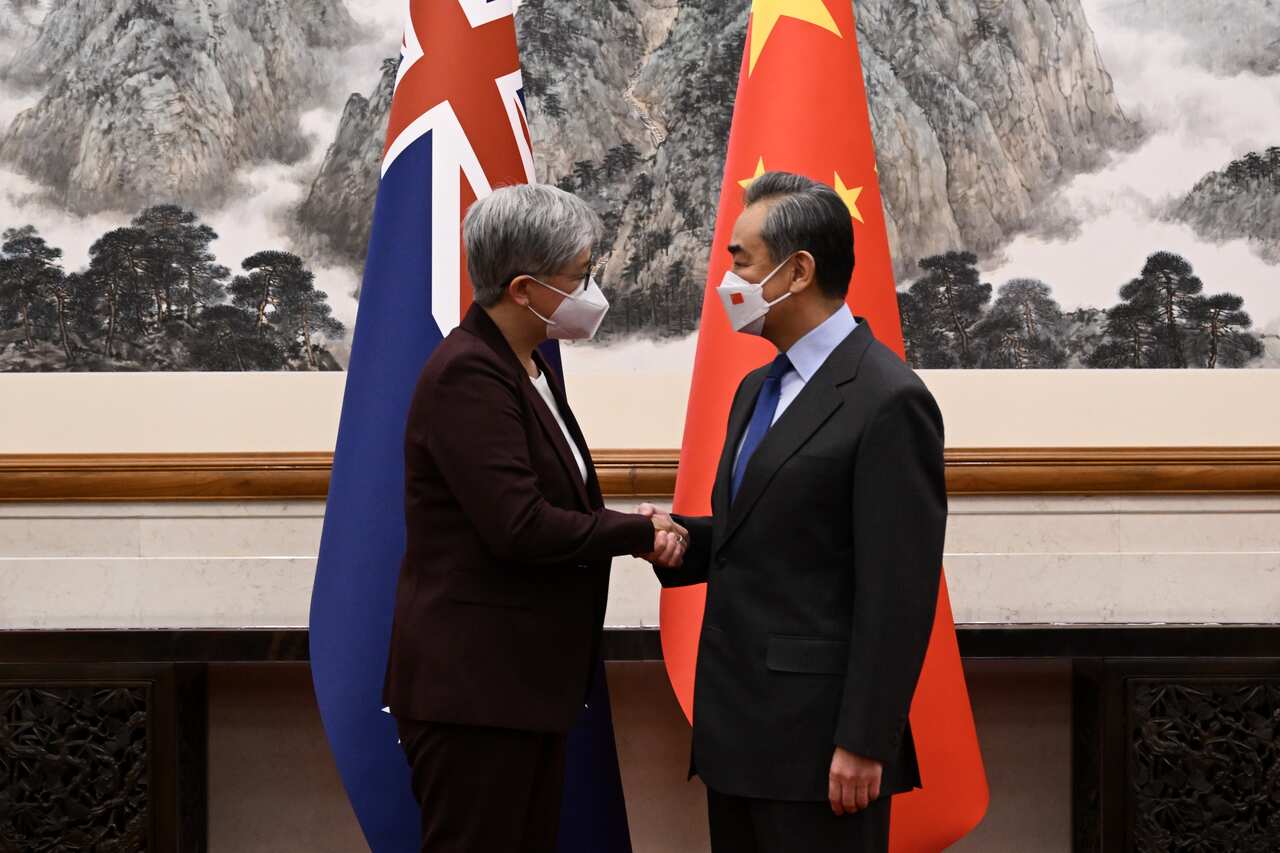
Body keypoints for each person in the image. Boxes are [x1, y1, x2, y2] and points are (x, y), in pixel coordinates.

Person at [642, 171, 946, 852]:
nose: (727, 281)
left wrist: (865, 740)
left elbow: (898, 589)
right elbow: (773, 534)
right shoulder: (756, 388)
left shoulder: (889, 399)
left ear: (797, 269)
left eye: (740, 260)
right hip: (738, 736)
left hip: (823, 750)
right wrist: (679, 541)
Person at [383, 183, 688, 853]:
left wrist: (628, 523)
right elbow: (520, 524)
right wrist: (640, 532)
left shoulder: (528, 364)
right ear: (523, 287)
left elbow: (561, 504)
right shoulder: (469, 373)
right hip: (474, 693)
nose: (591, 291)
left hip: (518, 687)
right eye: (578, 276)